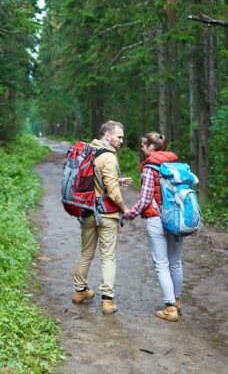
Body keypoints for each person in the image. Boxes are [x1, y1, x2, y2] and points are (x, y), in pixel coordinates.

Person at [72, 120, 130, 314]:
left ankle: (80, 291)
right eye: (119, 136)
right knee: (108, 257)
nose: (121, 140)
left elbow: (96, 180)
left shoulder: (89, 151)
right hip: (106, 213)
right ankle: (107, 301)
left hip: (87, 210)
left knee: (86, 252)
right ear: (107, 136)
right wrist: (124, 208)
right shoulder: (109, 157)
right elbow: (112, 192)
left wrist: (118, 180)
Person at [124, 131, 183, 322]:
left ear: (151, 147)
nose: (142, 149)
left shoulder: (150, 168)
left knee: (161, 263)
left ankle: (170, 308)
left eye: (143, 146)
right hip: (176, 218)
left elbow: (145, 199)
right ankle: (177, 300)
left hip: (157, 218)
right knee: (175, 261)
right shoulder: (175, 164)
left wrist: (130, 214)